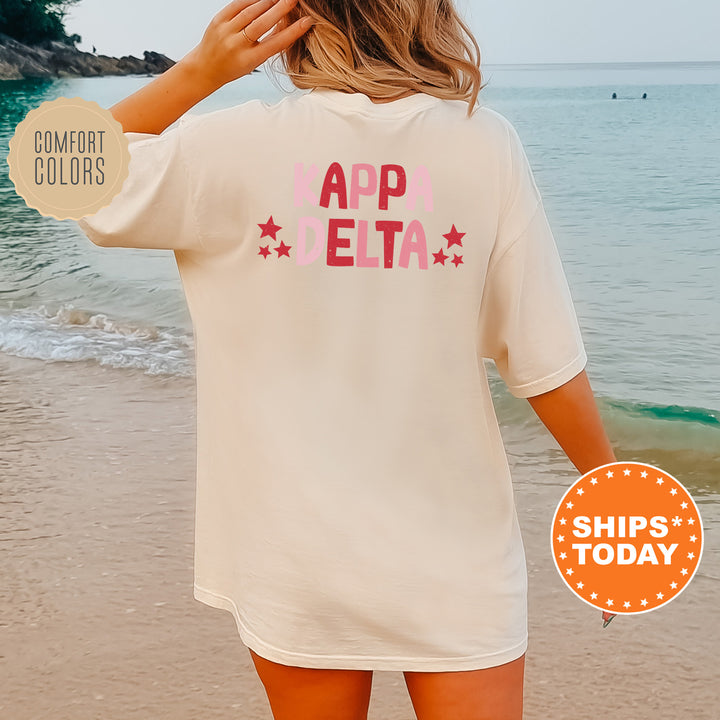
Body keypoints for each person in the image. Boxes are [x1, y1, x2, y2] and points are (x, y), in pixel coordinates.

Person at [76, 1, 617, 718]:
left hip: (294, 553)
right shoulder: (484, 145)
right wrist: (612, 505)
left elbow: (58, 168)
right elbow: (543, 356)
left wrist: (200, 71)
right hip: (455, 557)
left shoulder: (232, 147)